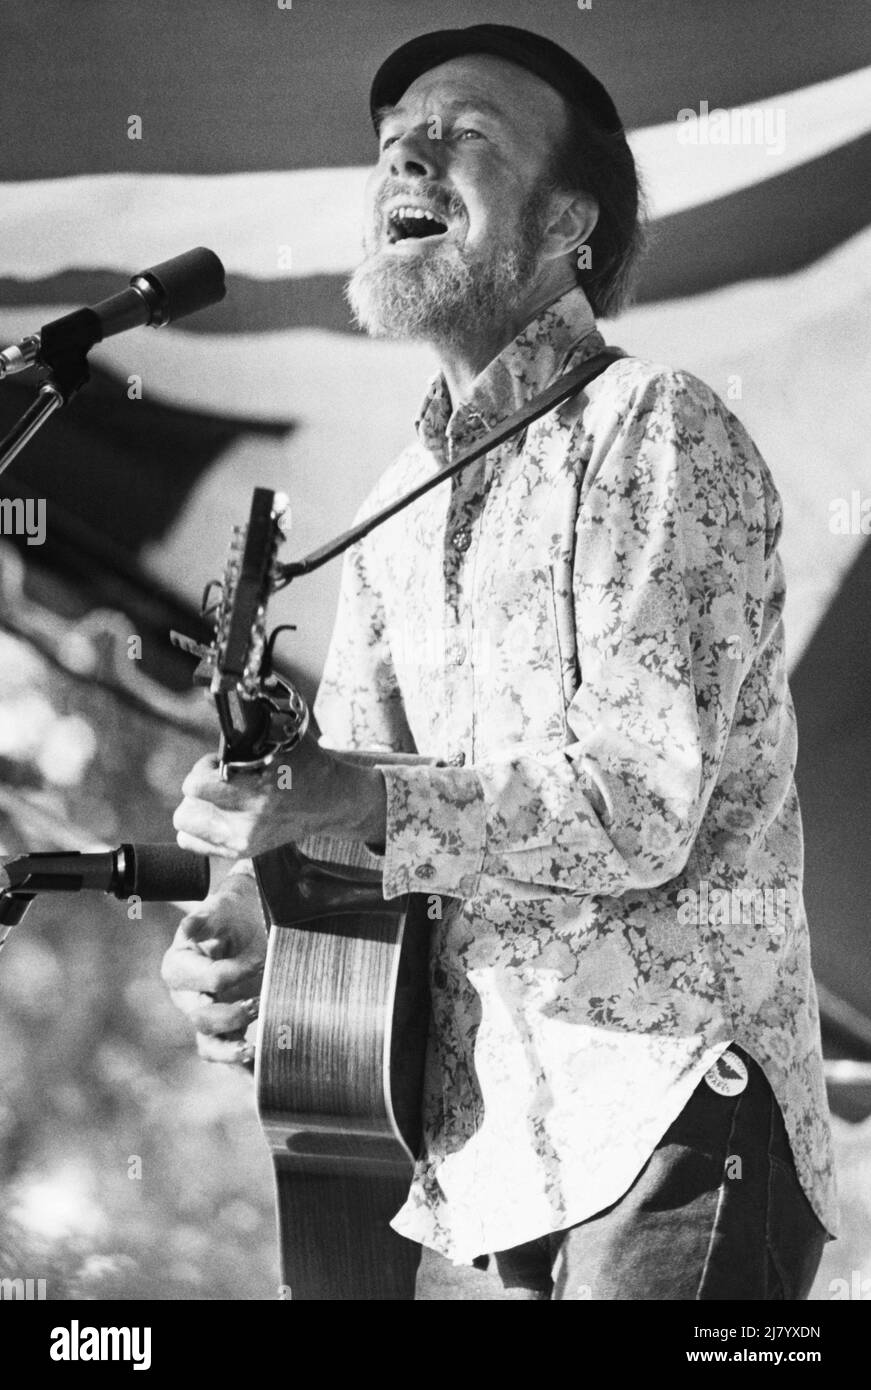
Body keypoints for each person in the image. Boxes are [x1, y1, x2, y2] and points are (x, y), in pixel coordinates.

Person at [161, 24, 837, 1300]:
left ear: (566, 220)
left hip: (678, 1112)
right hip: (491, 1158)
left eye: (463, 135)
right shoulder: (389, 507)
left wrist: (354, 797)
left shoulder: (655, 425)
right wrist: (244, 923)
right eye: (390, 140)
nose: (406, 153)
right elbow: (345, 833)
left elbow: (636, 803)